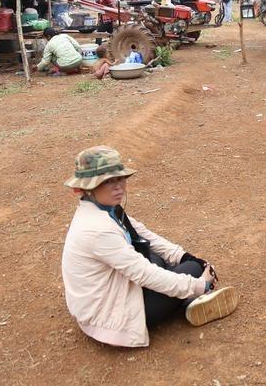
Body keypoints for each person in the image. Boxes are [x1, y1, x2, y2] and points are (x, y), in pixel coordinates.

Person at [61, 146, 239, 347]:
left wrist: (185, 256)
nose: (118, 186)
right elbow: (145, 274)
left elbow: (145, 236)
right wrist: (200, 285)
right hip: (107, 316)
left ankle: (187, 298)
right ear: (86, 188)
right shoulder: (98, 230)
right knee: (191, 271)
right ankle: (191, 299)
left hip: (106, 294)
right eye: (107, 182)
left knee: (161, 257)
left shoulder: (103, 210)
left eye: (120, 179)